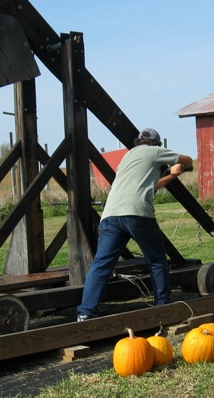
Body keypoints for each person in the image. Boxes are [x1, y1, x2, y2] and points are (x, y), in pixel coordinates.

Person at [77, 127, 193, 321]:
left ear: (138, 141)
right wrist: (180, 168)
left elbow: (151, 185)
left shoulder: (128, 156)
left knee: (101, 264)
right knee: (156, 260)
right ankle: (162, 305)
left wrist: (171, 176)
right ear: (156, 144)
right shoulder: (155, 151)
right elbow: (188, 160)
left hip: (111, 215)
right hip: (137, 214)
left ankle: (85, 312)